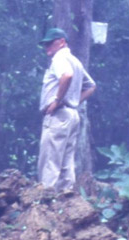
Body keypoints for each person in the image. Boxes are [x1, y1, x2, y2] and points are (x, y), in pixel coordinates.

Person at [37, 27, 96, 191]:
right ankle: (66, 197)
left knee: (50, 159)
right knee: (66, 160)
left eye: (50, 43)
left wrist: (57, 100)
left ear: (62, 42)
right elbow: (91, 86)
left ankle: (46, 199)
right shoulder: (75, 61)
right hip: (72, 115)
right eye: (45, 44)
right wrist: (74, 101)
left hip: (58, 115)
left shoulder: (60, 58)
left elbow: (67, 75)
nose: (47, 47)